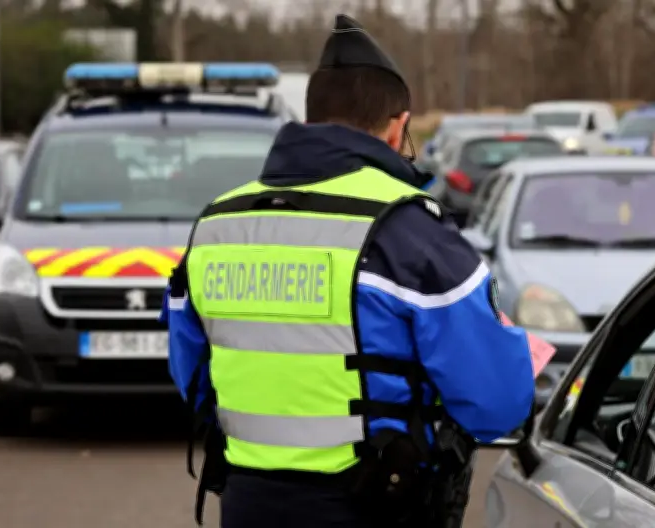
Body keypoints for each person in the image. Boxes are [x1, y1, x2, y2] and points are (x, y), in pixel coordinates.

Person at [161, 13, 535, 528]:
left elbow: (193, 380)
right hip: (377, 504)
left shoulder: (217, 225)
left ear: (310, 118)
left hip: (248, 504)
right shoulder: (410, 230)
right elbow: (498, 403)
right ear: (399, 125)